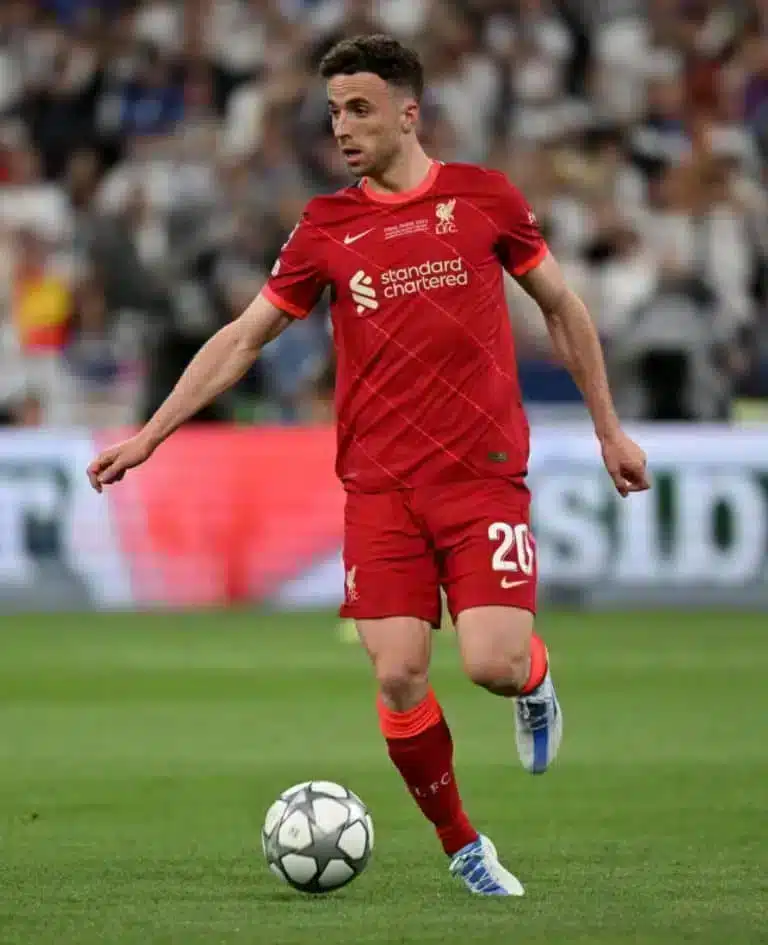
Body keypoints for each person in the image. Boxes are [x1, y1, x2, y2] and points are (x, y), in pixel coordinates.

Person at [87, 35, 650, 897]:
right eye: (334, 113)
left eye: (359, 109)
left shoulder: (484, 198)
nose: (342, 128)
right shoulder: (326, 227)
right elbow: (244, 338)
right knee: (396, 672)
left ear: (408, 112)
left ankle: (534, 680)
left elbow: (563, 308)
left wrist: (610, 429)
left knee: (492, 664)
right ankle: (464, 844)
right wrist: (152, 434)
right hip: (380, 488)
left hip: (481, 475)